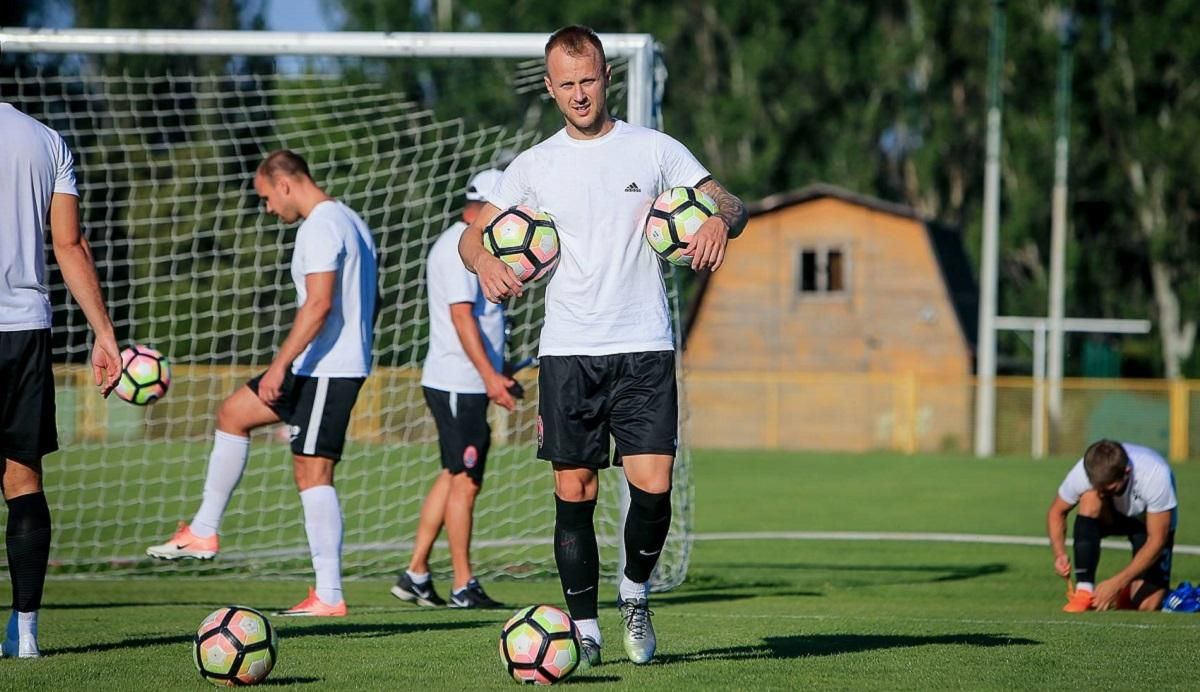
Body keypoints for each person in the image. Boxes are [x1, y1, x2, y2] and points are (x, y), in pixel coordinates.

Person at [458, 25, 747, 666]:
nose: (579, 94)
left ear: (606, 77)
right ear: (549, 87)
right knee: (576, 491)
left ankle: (634, 593)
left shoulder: (655, 149)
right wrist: (483, 264)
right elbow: (471, 239)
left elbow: (727, 200)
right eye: (567, 85)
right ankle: (584, 627)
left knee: (654, 487)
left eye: (588, 80)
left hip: (644, 342)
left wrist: (721, 224)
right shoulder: (533, 166)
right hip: (568, 348)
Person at [146, 150, 377, 617]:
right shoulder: (350, 219)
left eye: (267, 197)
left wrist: (279, 366)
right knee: (234, 413)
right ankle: (203, 530)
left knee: (313, 472)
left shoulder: (320, 225)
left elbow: (319, 305)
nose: (269, 208)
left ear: (285, 184)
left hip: (330, 368)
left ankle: (329, 596)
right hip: (318, 364)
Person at [0, 102, 122, 657]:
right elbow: (68, 244)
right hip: (25, 330)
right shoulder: (47, 141)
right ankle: (25, 633)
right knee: (23, 482)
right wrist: (104, 333)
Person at [390, 169, 515, 610]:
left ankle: (416, 574)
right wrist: (490, 378)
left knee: (451, 476)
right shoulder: (462, 246)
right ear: (481, 206)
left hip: (460, 382)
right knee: (465, 482)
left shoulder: (461, 241)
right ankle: (464, 585)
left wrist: (496, 372)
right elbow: (463, 319)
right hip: (460, 383)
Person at [1047, 439, 1178, 612]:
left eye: (1108, 489)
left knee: (1147, 604)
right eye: (1098, 486)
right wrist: (1060, 554)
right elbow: (1057, 512)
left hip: (1147, 524)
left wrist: (1117, 583)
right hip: (1111, 515)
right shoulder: (1085, 470)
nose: (1102, 492)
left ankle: (1141, 592)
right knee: (1090, 498)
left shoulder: (1155, 474)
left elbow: (1157, 540)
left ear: (1126, 472)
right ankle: (1084, 590)